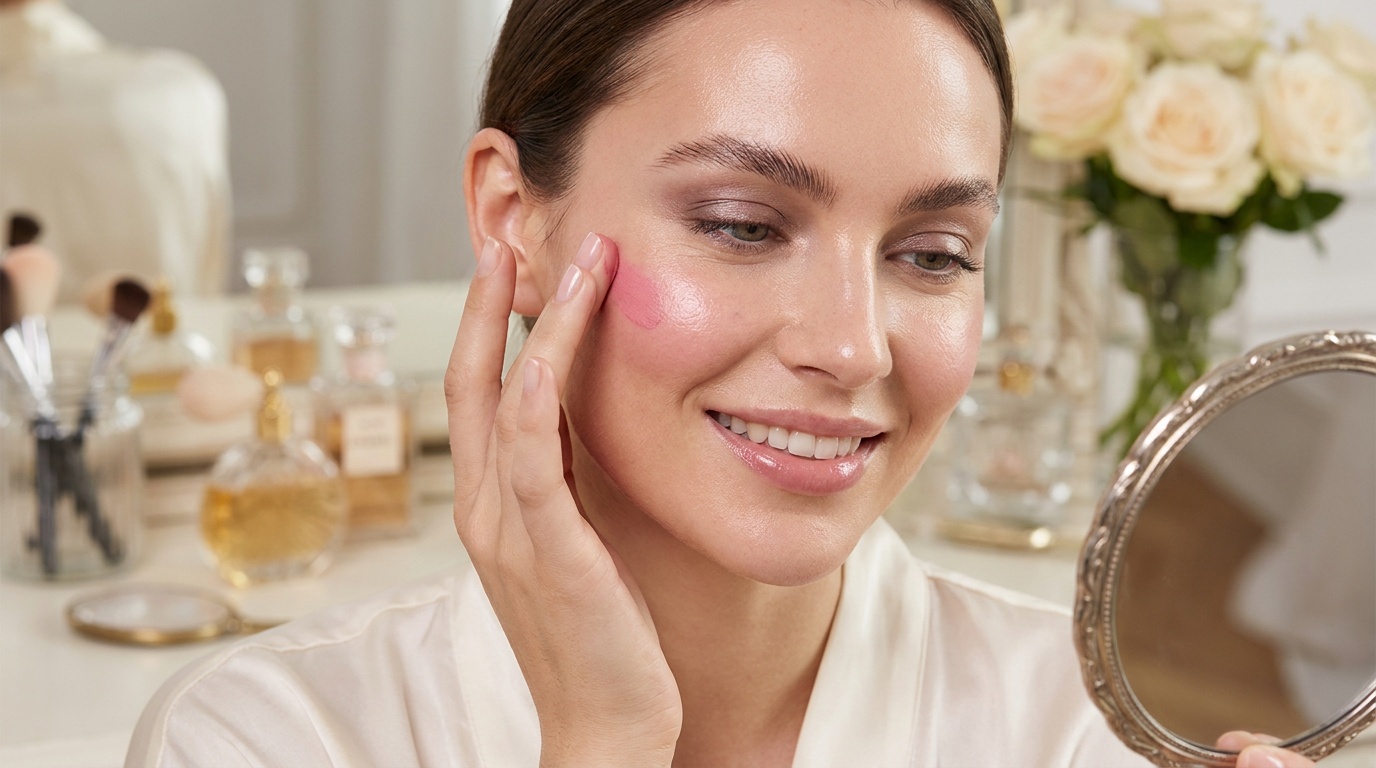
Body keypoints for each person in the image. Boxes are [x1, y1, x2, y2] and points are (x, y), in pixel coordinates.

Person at [125, 0, 1320, 765]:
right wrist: (602, 740)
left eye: (931, 254)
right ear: (511, 219)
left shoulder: (1080, 732)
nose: (852, 348)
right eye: (742, 225)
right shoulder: (271, 736)